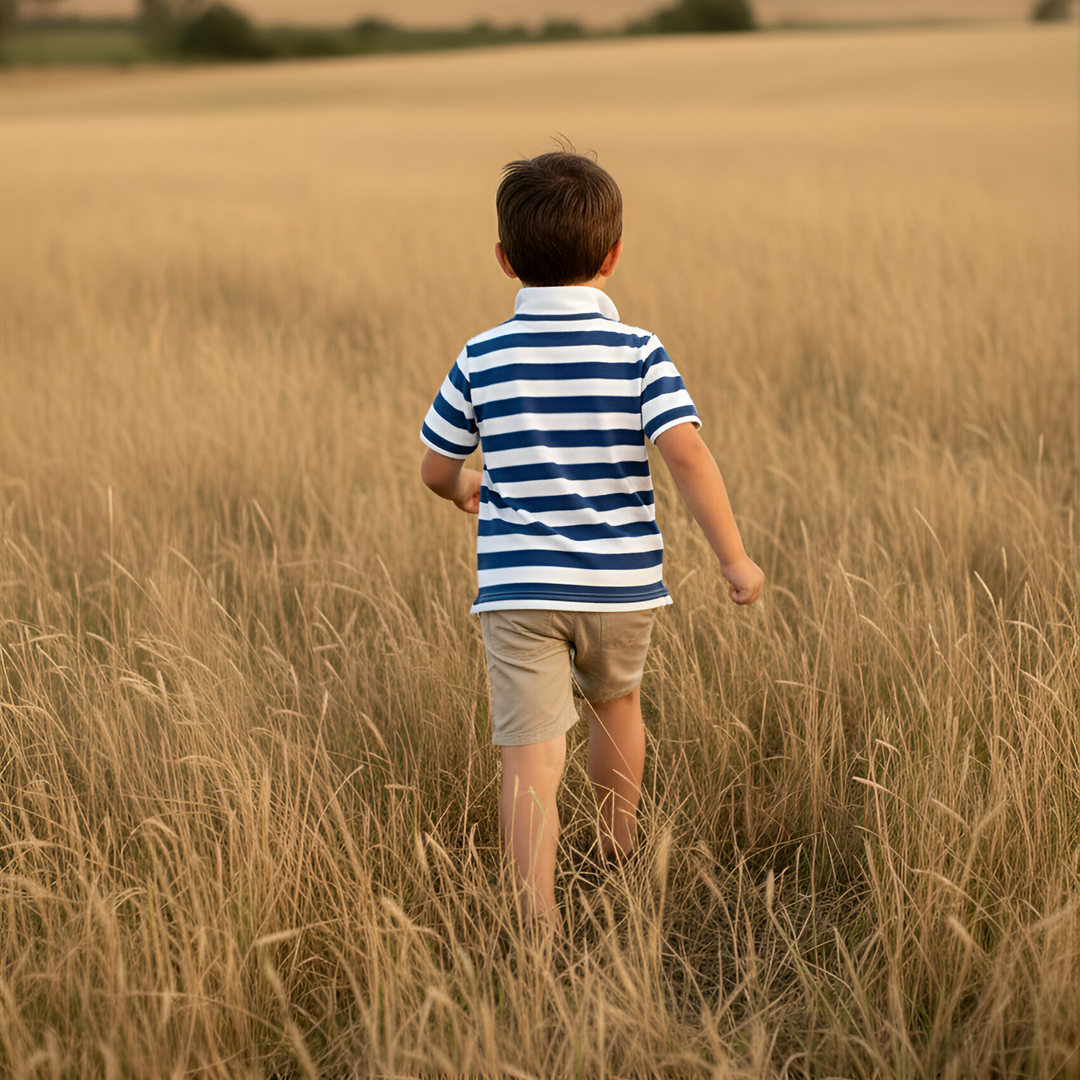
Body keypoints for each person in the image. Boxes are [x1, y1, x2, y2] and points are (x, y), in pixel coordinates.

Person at [420, 150, 764, 929]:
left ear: (505, 260)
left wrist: (463, 488)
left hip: (517, 593)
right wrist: (733, 557)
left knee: (531, 755)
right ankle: (615, 849)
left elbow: (438, 466)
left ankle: (533, 921)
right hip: (620, 584)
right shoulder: (640, 352)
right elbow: (687, 453)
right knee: (618, 708)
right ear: (612, 257)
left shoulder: (482, 355)